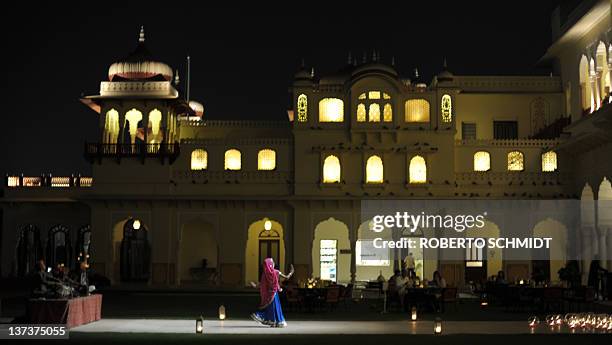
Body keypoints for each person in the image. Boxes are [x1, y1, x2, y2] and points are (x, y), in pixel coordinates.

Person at [251, 258, 294, 327]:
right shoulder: (276, 272)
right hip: (274, 294)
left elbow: (261, 285)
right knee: (275, 308)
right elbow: (287, 277)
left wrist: (255, 285)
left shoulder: (264, 275)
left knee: (271, 308)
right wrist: (291, 272)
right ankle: (276, 321)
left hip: (269, 295)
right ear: (270, 264)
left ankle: (272, 321)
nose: (273, 263)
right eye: (272, 262)